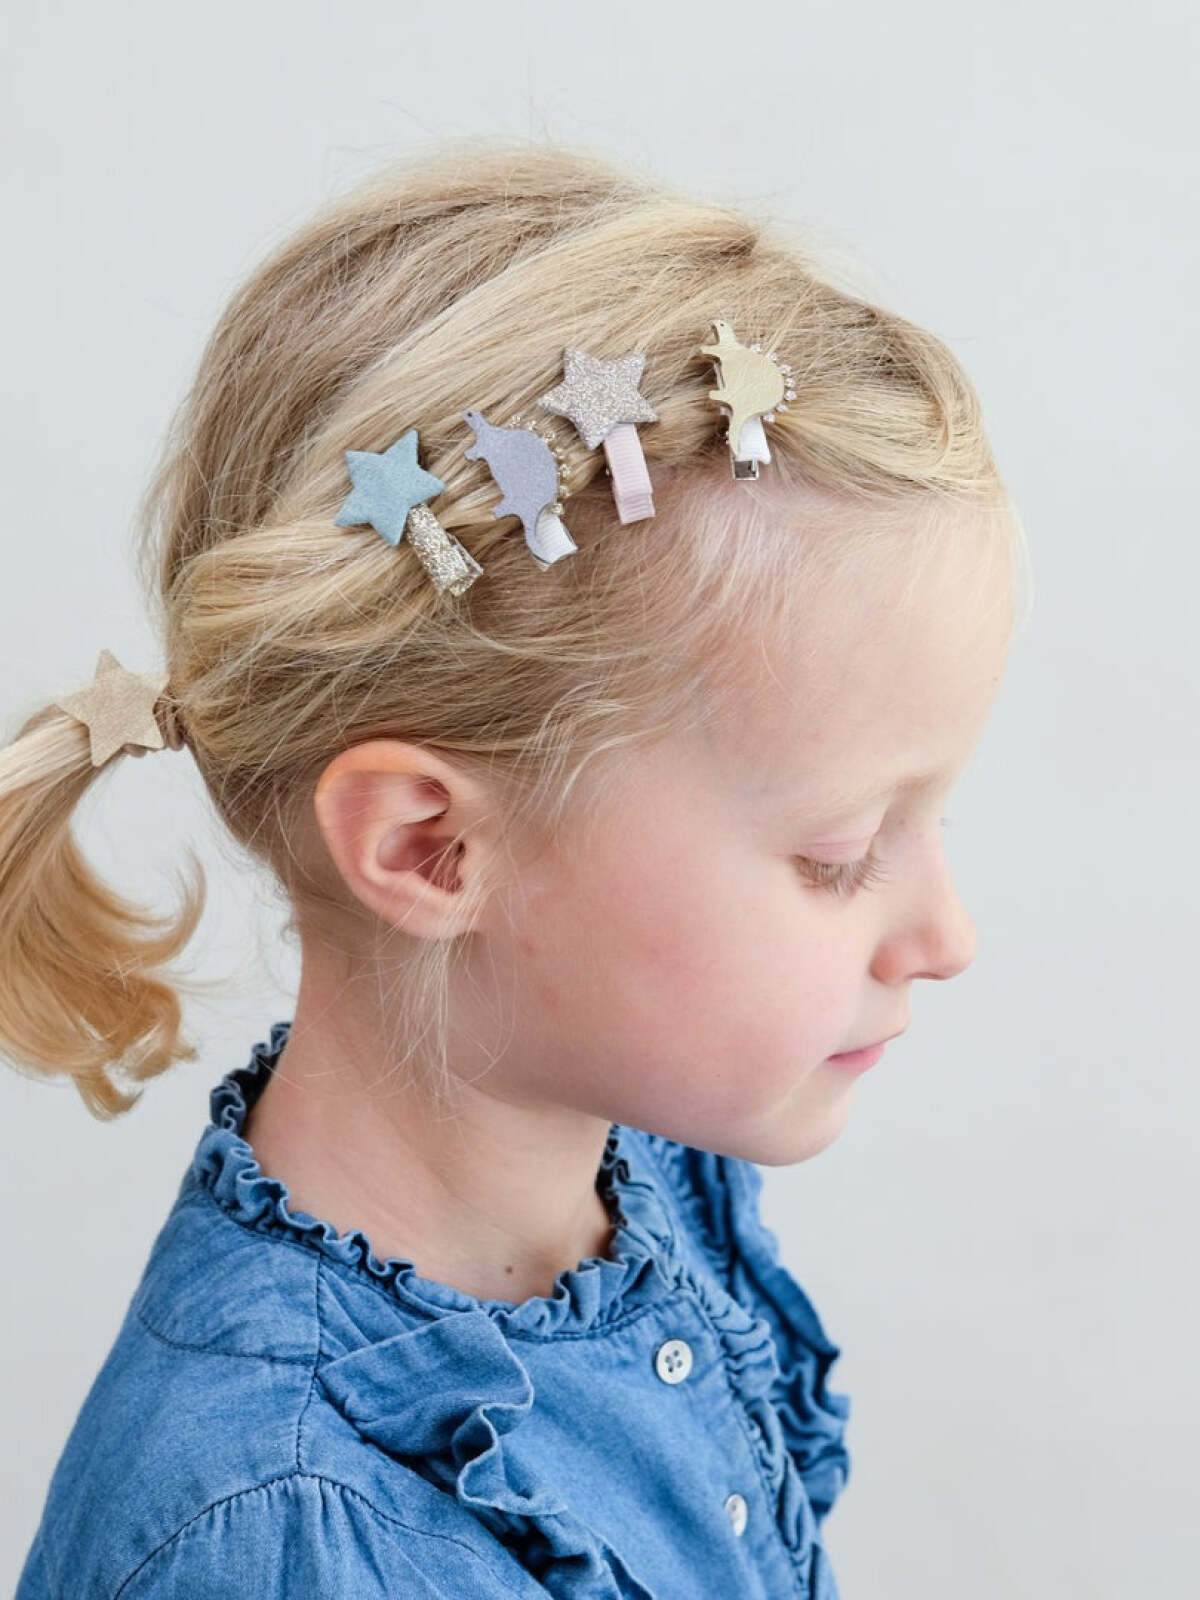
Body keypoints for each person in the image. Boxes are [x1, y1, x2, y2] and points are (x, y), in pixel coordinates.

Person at [3, 137, 1027, 1598]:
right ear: (431, 847)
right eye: (842, 853)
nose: (946, 932)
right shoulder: (290, 1535)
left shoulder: (637, 1171)